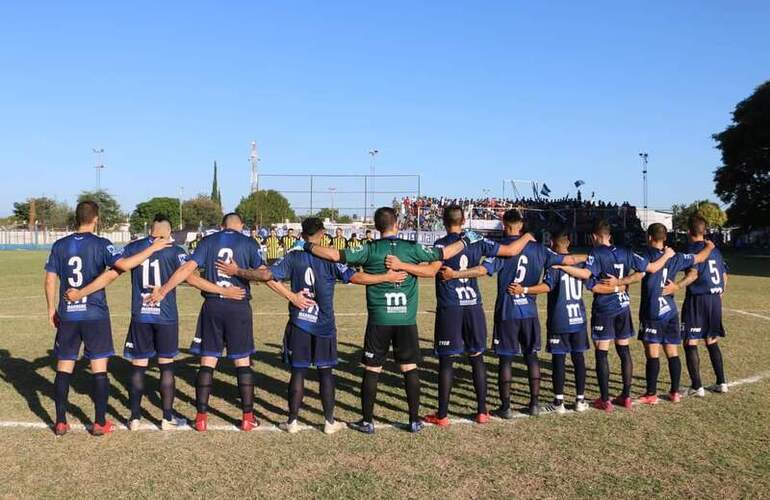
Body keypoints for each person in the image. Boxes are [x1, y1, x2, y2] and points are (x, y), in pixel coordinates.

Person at [301, 207, 513, 433]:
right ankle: (414, 420)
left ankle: (367, 421)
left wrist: (306, 245)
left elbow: (334, 255)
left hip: (379, 319)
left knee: (372, 369)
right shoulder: (411, 248)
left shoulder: (368, 249)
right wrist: (464, 242)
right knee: (409, 367)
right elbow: (441, 257)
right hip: (406, 319)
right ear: (397, 224)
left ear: (377, 227)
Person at [216, 217, 408, 434]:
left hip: (300, 322)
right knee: (326, 373)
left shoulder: (293, 256)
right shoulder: (329, 258)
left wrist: (238, 271)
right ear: (322, 233)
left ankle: (292, 422)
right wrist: (386, 277)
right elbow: (356, 277)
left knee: (298, 372)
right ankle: (329, 422)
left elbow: (267, 274)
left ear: (302, 234)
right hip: (324, 324)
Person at [64, 215, 245, 430]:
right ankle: (167, 417)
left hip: (141, 315)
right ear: (167, 232)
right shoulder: (176, 250)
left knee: (139, 365)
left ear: (151, 230)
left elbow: (114, 272)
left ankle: (134, 418)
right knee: (166, 365)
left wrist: (82, 292)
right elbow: (192, 279)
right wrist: (223, 290)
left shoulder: (135, 248)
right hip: (166, 317)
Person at [391, 206, 533, 426]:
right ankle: (482, 411)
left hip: (451, 307)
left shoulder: (442, 244)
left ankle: (443, 415)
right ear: (464, 219)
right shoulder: (477, 241)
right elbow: (512, 251)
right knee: (477, 357)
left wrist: (401, 267)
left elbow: (429, 271)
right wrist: (527, 236)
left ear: (443, 221)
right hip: (473, 306)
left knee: (447, 360)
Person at [44, 201, 170, 436]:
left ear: (76, 217)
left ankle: (60, 421)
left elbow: (50, 279)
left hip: (68, 314)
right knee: (99, 369)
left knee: (64, 368)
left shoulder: (59, 245)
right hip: (95, 314)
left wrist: (52, 309)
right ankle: (100, 422)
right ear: (96, 219)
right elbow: (124, 265)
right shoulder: (102, 244)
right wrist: (152, 248)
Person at [147, 213, 263, 432]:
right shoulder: (249, 242)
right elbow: (263, 273)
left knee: (207, 360)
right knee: (242, 361)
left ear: (221, 226)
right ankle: (248, 417)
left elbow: (186, 271)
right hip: (238, 305)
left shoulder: (208, 241)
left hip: (212, 306)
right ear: (242, 226)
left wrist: (163, 290)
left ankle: (201, 417)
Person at [555, 219, 675, 412]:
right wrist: (621, 283)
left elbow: (586, 274)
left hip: (605, 308)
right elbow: (647, 271)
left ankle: (605, 399)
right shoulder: (626, 251)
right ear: (609, 236)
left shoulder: (596, 252)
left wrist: (562, 266)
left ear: (594, 237)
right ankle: (626, 396)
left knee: (602, 351)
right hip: (624, 306)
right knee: (623, 350)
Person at [480, 211, 585, 417]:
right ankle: (535, 404)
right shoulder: (539, 249)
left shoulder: (503, 249)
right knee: (531, 356)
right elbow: (569, 259)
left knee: (506, 359)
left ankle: (506, 407)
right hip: (529, 310)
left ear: (504, 225)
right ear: (521, 225)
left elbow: (486, 269)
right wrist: (594, 257)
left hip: (508, 310)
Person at [506, 226, 606, 414]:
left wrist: (524, 290)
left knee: (559, 359)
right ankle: (580, 400)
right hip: (578, 318)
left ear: (552, 243)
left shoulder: (554, 265)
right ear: (569, 243)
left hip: (560, 319)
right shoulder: (580, 266)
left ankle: (559, 402)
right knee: (578, 358)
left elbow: (547, 286)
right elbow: (592, 281)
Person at [635, 223, 714, 404]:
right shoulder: (676, 257)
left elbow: (640, 273)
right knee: (672, 351)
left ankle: (651, 394)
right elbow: (700, 258)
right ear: (665, 238)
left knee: (652, 353)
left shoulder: (645, 254)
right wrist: (709, 246)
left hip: (652, 310)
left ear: (649, 237)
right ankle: (675, 392)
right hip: (670, 310)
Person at [681, 214, 729, 396]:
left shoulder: (692, 249)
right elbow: (724, 275)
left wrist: (676, 286)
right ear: (705, 231)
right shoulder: (715, 250)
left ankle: (697, 386)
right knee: (711, 339)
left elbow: (693, 274)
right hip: (714, 299)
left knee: (690, 341)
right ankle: (722, 382)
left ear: (688, 232)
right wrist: (720, 292)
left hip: (697, 299)